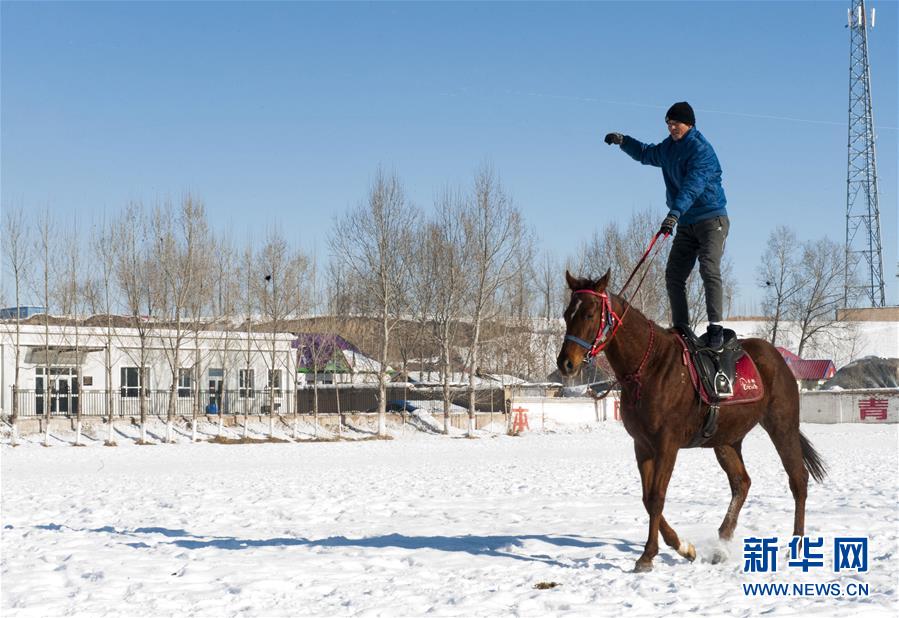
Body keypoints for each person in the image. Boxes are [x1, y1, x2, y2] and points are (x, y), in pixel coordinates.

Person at [604, 101, 729, 350]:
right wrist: (623, 141)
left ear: (689, 124)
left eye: (676, 124)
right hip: (685, 222)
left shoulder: (701, 150)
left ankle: (716, 327)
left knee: (708, 267)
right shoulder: (669, 148)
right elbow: (646, 153)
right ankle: (682, 329)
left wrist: (673, 213)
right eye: (669, 124)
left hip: (710, 219)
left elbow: (692, 186)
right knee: (673, 275)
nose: (672, 128)